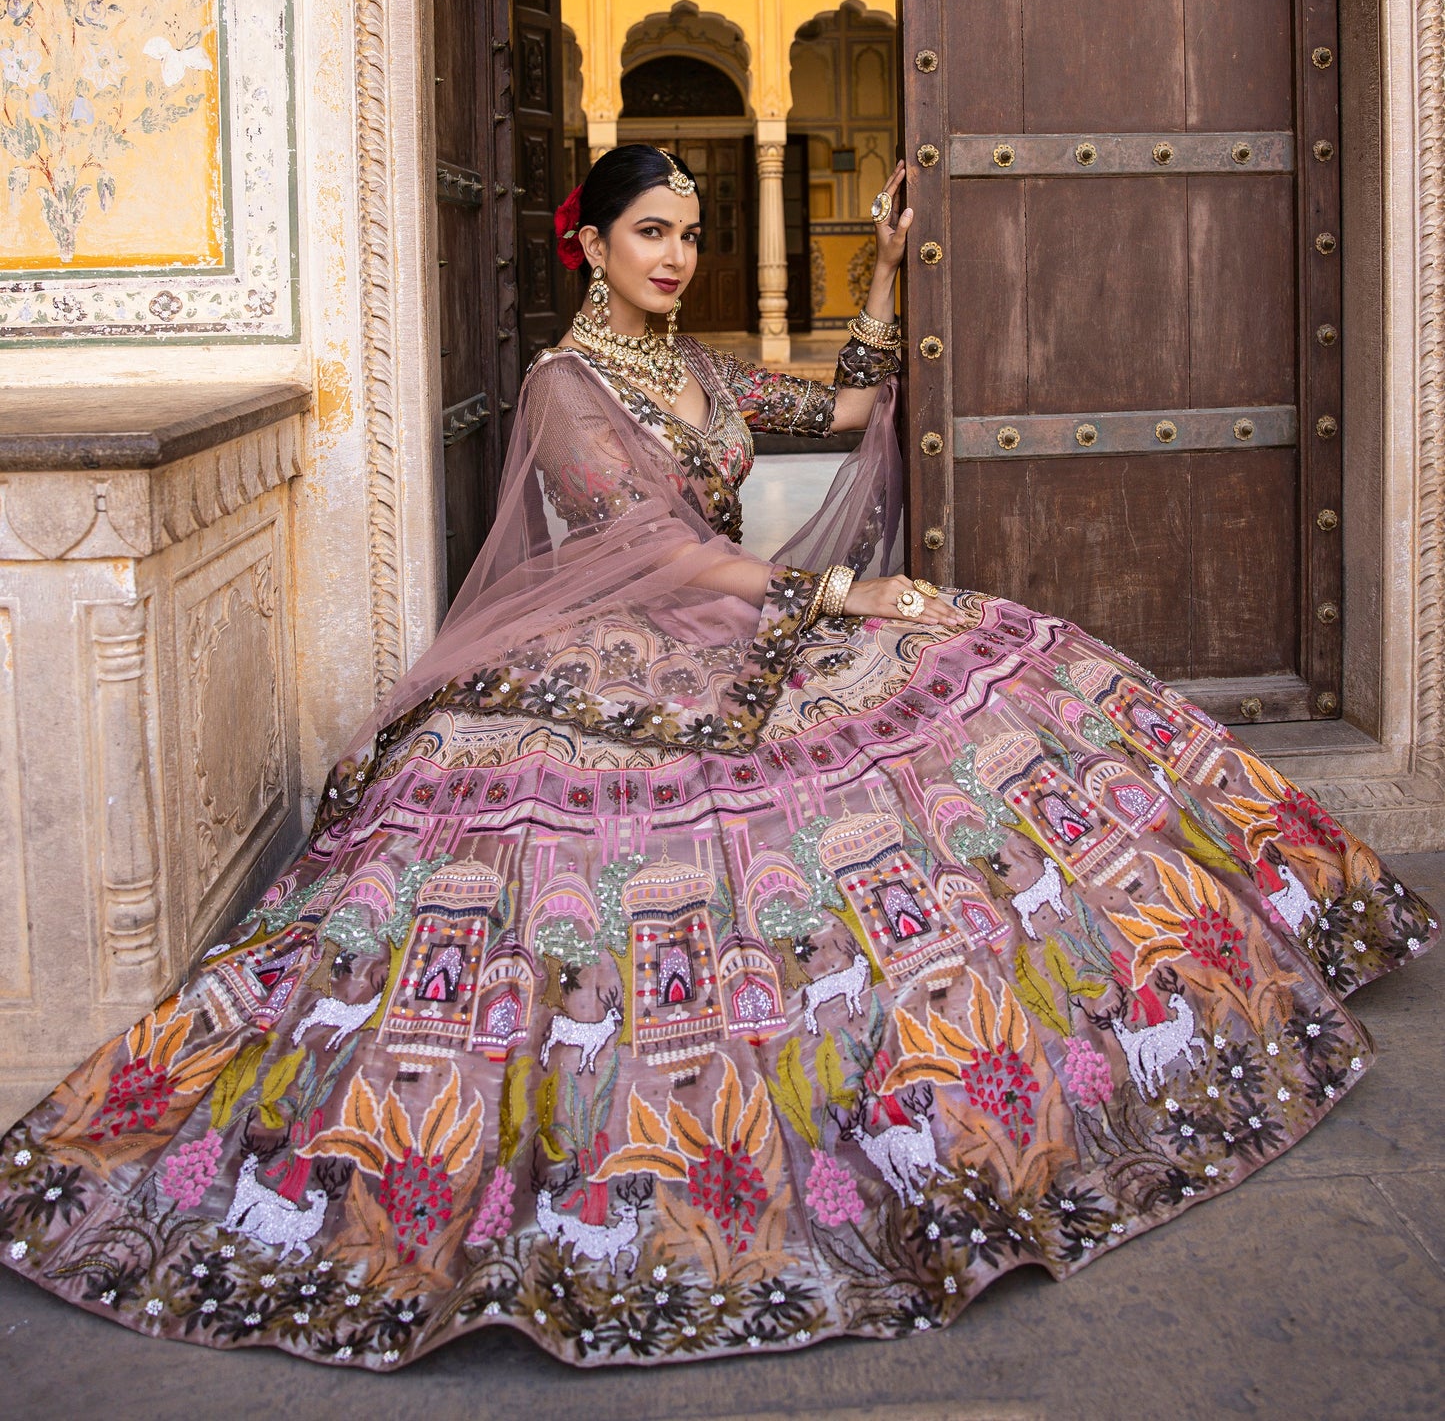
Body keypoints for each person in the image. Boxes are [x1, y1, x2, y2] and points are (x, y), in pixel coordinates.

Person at [0, 144, 1433, 1373]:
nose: (677, 256)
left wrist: (880, 278)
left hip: (740, 630)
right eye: (650, 234)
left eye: (689, 235)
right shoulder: (570, 386)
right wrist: (843, 594)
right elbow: (662, 557)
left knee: (1018, 671)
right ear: (591, 244)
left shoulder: (693, 369)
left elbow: (853, 413)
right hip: (633, 654)